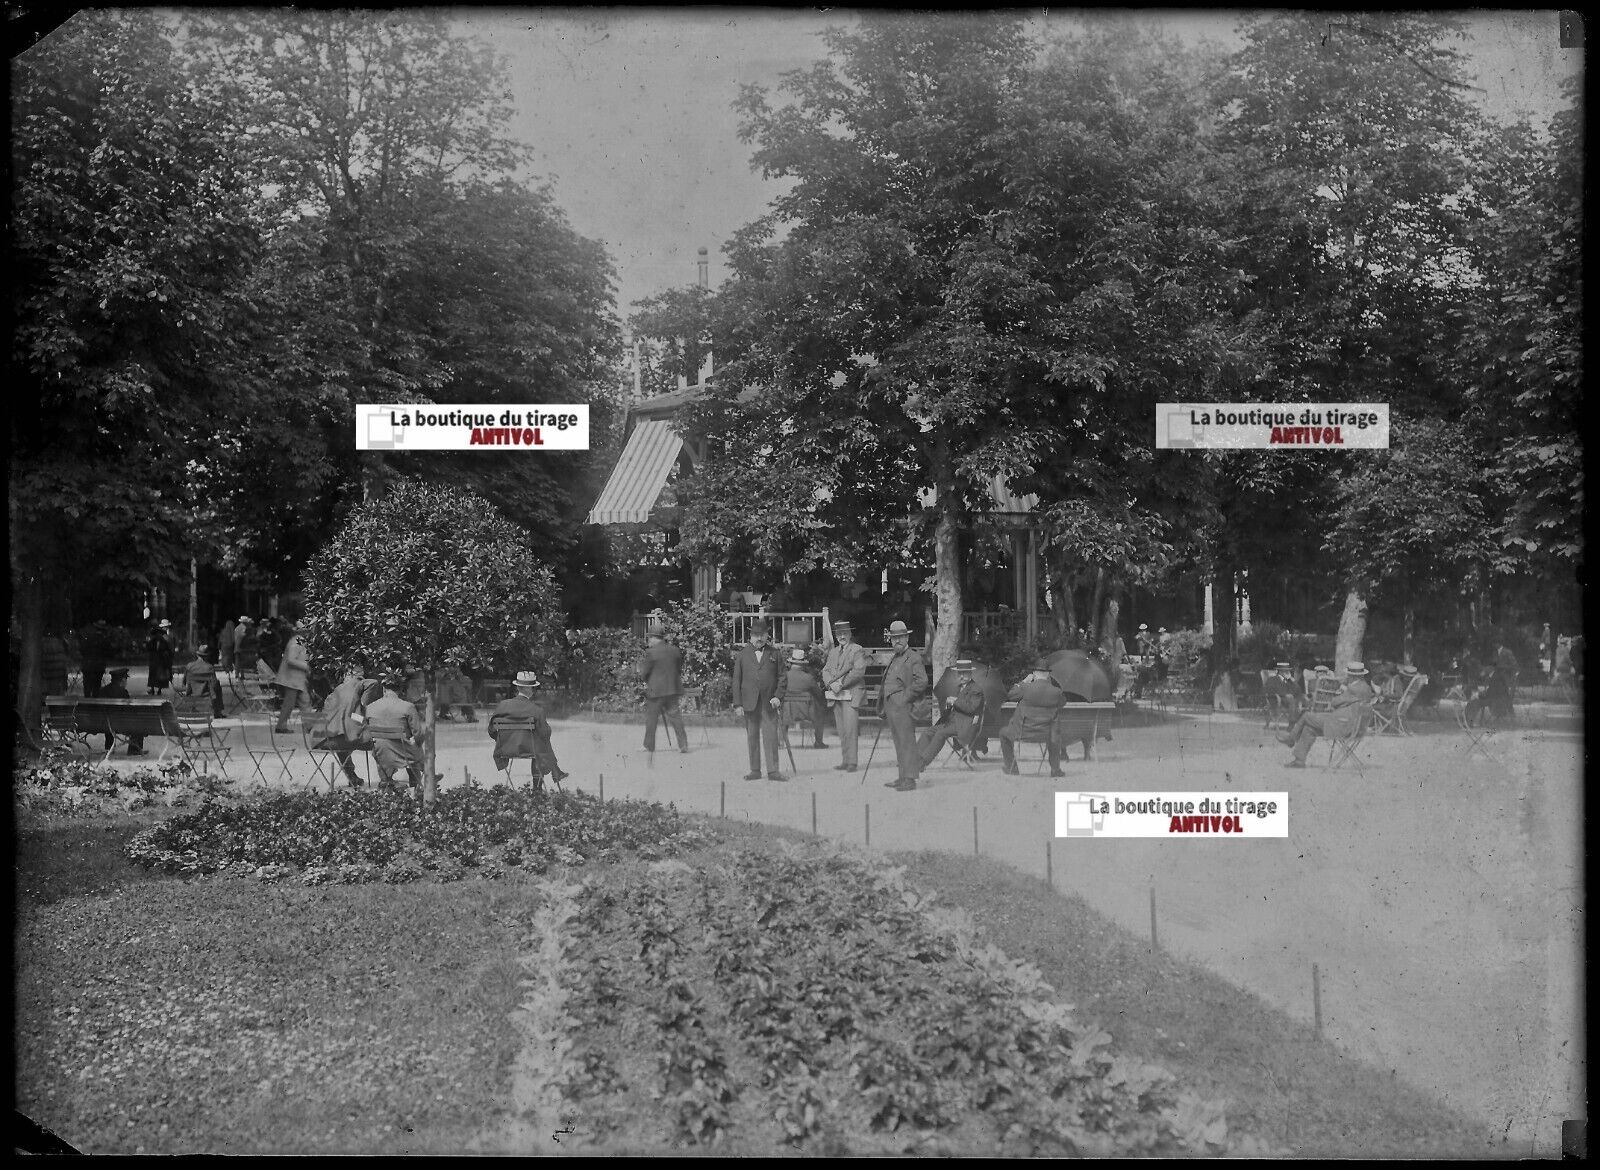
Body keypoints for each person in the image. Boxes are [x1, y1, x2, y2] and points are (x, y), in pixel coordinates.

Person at [1277, 662, 1375, 767]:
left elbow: (1334, 702)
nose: (1347, 676)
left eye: (1348, 675)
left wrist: (1336, 693)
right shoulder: (1365, 687)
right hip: (1351, 726)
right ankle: (1299, 760)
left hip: (1343, 726)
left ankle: (1291, 739)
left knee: (1307, 715)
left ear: (1351, 675)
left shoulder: (1353, 689)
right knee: (1309, 728)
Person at [488, 670, 568, 788]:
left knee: (539, 742)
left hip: (505, 749)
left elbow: (491, 730)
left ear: (518, 687)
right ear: (529, 689)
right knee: (541, 744)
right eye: (533, 688)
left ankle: (556, 772)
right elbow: (545, 734)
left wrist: (505, 739)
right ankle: (541, 784)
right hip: (530, 750)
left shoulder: (502, 706)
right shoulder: (536, 710)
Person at [732, 621, 786, 781]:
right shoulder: (742, 655)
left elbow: (782, 677)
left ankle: (773, 771)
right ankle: (755, 770)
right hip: (749, 703)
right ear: (750, 636)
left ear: (767, 635)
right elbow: (736, 680)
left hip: (769, 703)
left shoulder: (775, 654)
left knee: (771, 737)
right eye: (756, 635)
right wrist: (738, 704)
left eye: (762, 635)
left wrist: (778, 696)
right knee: (752, 737)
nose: (759, 638)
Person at [879, 619, 928, 792]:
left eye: (900, 637)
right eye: (894, 638)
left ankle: (910, 779)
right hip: (892, 707)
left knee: (907, 742)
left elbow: (922, 681)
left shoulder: (913, 657)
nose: (897, 641)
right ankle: (902, 777)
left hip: (904, 706)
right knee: (899, 742)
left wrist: (904, 698)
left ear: (907, 638)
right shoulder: (895, 657)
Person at [316, 660, 382, 787]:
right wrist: (363, 703)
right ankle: (386, 778)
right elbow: (373, 682)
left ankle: (351, 776)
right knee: (379, 742)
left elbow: (345, 716)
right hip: (349, 740)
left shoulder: (334, 693)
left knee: (342, 742)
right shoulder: (358, 684)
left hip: (326, 742)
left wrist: (359, 716)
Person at [999, 658, 1068, 777]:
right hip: (1046, 734)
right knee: (1055, 733)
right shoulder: (1056, 691)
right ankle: (1055, 769)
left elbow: (1010, 695)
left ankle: (1012, 768)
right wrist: (1049, 685)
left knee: (1003, 733)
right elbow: (1062, 703)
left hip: (1023, 732)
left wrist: (1024, 681)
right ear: (1048, 674)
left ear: (1034, 674)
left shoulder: (1025, 688)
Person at [917, 658, 987, 769]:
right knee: (928, 731)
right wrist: (948, 705)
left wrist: (956, 701)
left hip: (966, 725)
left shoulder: (976, 689)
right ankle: (915, 759)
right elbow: (955, 708)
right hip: (953, 722)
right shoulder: (959, 688)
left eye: (964, 674)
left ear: (970, 673)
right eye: (959, 674)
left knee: (940, 734)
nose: (961, 676)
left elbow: (972, 708)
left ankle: (923, 763)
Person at [364, 672, 425, 794]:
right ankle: (415, 784)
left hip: (381, 752)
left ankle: (386, 780)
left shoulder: (370, 707)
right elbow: (418, 734)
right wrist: (416, 742)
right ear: (400, 690)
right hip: (404, 753)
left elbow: (365, 729)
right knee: (415, 747)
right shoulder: (408, 706)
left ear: (384, 689)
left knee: (382, 744)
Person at [822, 619, 868, 772]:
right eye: (839, 634)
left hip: (851, 694)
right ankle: (845, 760)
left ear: (850, 634)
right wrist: (831, 683)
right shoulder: (834, 652)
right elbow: (825, 671)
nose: (842, 636)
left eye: (845, 633)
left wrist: (841, 684)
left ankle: (852, 762)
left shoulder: (857, 650)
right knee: (841, 730)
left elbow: (858, 671)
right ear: (836, 636)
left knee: (850, 729)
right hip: (836, 696)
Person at [638, 630, 690, 753]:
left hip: (655, 691)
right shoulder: (675, 650)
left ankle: (649, 746)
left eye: (650, 638)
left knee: (652, 718)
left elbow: (644, 673)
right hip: (672, 690)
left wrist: (649, 681)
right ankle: (683, 745)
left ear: (655, 638)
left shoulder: (651, 652)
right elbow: (678, 669)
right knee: (676, 718)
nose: (649, 641)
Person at [779, 647, 823, 754]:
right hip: (807, 712)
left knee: (782, 716)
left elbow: (779, 693)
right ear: (803, 664)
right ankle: (818, 742)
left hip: (788, 712)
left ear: (791, 663)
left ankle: (780, 742)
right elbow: (818, 694)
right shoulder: (808, 678)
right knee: (820, 713)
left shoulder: (784, 676)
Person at [274, 621, 313, 732]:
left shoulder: (299, 641)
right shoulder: (296, 642)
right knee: (290, 703)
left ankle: (309, 726)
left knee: (304, 701)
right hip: (291, 678)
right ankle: (281, 726)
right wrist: (306, 666)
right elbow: (290, 660)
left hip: (297, 678)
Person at [98, 667, 146, 756]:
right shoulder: (123, 692)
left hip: (101, 724)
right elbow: (128, 711)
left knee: (108, 718)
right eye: (126, 680)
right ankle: (134, 749)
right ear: (123, 680)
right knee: (138, 721)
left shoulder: (103, 691)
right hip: (119, 725)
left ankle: (109, 747)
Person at [182, 645, 225, 718]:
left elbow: (184, 682)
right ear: (207, 656)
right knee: (217, 686)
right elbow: (214, 684)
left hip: (191, 693)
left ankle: (192, 708)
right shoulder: (209, 667)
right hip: (206, 694)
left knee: (216, 685)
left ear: (197, 655)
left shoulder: (189, 666)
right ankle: (217, 712)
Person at [80, 620, 111, 698]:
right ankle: (94, 704)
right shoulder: (104, 640)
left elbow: (82, 650)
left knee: (87, 686)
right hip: (98, 666)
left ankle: (87, 702)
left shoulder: (88, 638)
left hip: (87, 665)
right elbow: (108, 652)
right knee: (96, 686)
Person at [145, 620, 174, 694]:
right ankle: (155, 689)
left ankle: (157, 689)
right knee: (155, 674)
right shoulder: (159, 638)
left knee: (157, 674)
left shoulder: (164, 637)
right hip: (158, 659)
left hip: (159, 659)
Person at [40, 629, 69, 696]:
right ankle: (56, 704)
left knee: (49, 689)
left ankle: (51, 703)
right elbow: (65, 655)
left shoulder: (42, 643)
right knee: (56, 690)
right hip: (58, 670)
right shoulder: (61, 643)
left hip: (47, 670)